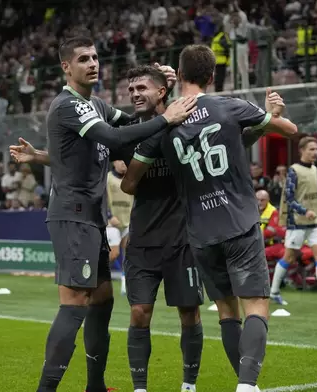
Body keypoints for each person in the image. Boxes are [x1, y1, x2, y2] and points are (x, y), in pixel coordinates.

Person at [11, 36, 196, 392]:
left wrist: (163, 92)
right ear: (66, 67)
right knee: (74, 304)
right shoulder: (68, 105)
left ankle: (95, 386)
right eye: (83, 59)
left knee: (102, 301)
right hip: (72, 215)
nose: (93, 63)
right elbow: (114, 137)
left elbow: (132, 125)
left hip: (92, 217)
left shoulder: (95, 103)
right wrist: (166, 117)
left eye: (95, 57)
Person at [132, 44, 297, 392]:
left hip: (200, 233)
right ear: (211, 76)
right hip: (238, 221)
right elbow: (290, 130)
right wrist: (271, 114)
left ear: (178, 75)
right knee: (255, 305)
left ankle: (245, 384)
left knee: (226, 312)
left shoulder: (165, 125)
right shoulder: (229, 106)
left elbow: (131, 176)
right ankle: (247, 386)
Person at [118, 65, 205, 392]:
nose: (135, 94)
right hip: (142, 240)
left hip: (182, 241)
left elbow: (201, 91)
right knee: (139, 312)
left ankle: (188, 386)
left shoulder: (187, 123)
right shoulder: (127, 130)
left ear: (163, 91)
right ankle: (140, 388)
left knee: (189, 313)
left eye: (142, 88)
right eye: (131, 90)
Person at [270, 137, 317, 308]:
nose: (314, 153)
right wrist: (304, 211)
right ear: (301, 151)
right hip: (297, 222)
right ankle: (274, 291)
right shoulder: (293, 170)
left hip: (316, 220)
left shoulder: (314, 169)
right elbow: (289, 198)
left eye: (316, 149)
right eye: (311, 149)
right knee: (289, 256)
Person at [106, 159, 134, 295]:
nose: (123, 163)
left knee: (128, 254)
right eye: (120, 161)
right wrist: (108, 215)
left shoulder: (131, 178)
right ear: (114, 163)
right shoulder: (108, 179)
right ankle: (96, 273)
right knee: (114, 253)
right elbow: (102, 197)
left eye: (125, 161)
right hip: (112, 223)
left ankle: (125, 285)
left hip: (128, 222)